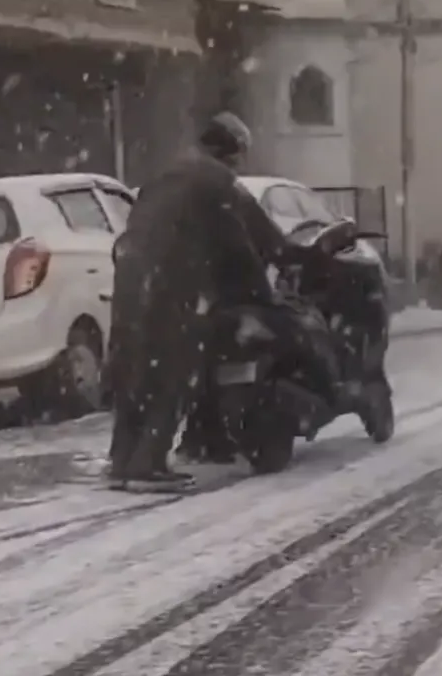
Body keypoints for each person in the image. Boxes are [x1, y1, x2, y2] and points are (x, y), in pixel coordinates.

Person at [106, 112, 325, 492]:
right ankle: (148, 465)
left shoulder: (166, 175)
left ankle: (122, 459)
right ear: (233, 151)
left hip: (129, 276)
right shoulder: (218, 183)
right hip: (170, 283)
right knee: (174, 370)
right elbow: (240, 247)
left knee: (135, 366)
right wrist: (265, 296)